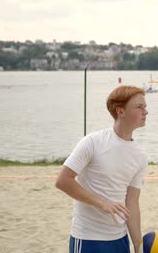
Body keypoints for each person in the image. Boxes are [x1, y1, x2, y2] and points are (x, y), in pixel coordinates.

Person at [56, 85, 149, 253]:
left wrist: (137, 244)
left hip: (120, 239)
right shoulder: (93, 142)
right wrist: (102, 203)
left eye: (145, 107)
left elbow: (132, 201)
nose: (145, 112)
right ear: (120, 111)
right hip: (87, 239)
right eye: (139, 107)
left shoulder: (140, 156)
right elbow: (63, 181)